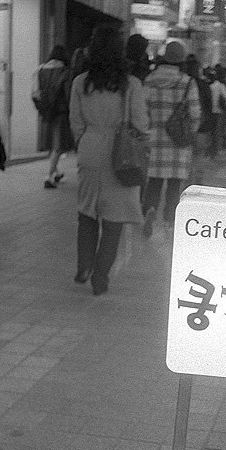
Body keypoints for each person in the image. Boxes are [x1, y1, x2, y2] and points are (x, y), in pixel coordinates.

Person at [69, 24, 150, 296]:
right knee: (114, 219)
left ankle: (84, 265)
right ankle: (100, 277)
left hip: (90, 148)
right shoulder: (131, 84)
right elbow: (140, 124)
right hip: (121, 154)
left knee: (87, 211)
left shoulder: (80, 82)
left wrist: (85, 141)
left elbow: (75, 122)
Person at [141, 40, 200, 237]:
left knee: (154, 181)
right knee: (175, 184)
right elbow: (195, 114)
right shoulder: (187, 82)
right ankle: (169, 221)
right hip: (178, 143)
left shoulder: (149, 80)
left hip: (154, 140)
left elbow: (142, 111)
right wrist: (189, 133)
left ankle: (149, 209)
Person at [32, 45, 72, 189]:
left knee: (54, 144)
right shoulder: (65, 72)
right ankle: (49, 177)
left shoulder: (40, 70)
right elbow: (68, 94)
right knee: (59, 146)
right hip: (61, 112)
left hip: (46, 111)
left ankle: (57, 172)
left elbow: (35, 93)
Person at [182, 54, 213, 183]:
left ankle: (186, 184)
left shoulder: (183, 83)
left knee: (186, 158)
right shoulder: (203, 85)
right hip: (202, 127)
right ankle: (195, 183)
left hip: (184, 127)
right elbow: (209, 106)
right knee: (198, 157)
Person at [206, 67, 226, 159]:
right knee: (217, 131)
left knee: (210, 132)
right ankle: (215, 151)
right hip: (218, 111)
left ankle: (209, 150)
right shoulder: (220, 85)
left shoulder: (206, 85)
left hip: (208, 112)